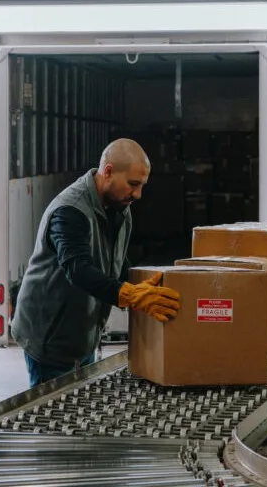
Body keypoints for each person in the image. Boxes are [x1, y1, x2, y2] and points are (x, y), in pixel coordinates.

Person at [11, 138, 182, 388]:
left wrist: (141, 283)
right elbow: (77, 268)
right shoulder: (70, 210)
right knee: (54, 415)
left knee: (78, 407)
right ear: (109, 172)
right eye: (133, 184)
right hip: (50, 336)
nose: (138, 194)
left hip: (82, 334)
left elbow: (114, 257)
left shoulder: (118, 206)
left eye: (142, 186)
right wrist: (127, 294)